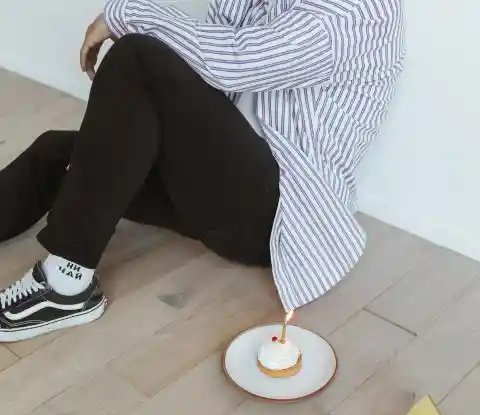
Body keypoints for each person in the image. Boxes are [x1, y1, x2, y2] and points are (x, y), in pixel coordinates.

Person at [0, 0, 405, 342]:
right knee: (62, 154)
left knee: (138, 57)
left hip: (277, 216)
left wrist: (125, 13)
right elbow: (205, 63)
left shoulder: (355, 13)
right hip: (219, 182)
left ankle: (65, 283)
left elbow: (232, 61)